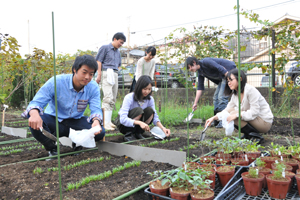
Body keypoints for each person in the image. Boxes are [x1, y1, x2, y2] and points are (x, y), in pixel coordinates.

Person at [21, 55, 105, 156]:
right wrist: (34, 113)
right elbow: (37, 102)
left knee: (100, 132)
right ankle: (53, 148)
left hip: (75, 122)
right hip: (54, 121)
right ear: (75, 69)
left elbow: (96, 108)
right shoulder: (57, 82)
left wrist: (96, 121)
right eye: (84, 72)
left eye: (91, 74)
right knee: (34, 119)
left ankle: (78, 142)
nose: (87, 77)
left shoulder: (93, 87)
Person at [205, 69, 273, 143]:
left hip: (263, 122)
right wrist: (214, 118)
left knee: (234, 115)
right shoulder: (236, 93)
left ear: (240, 79)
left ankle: (256, 136)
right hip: (254, 120)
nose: (229, 83)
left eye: (231, 80)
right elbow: (228, 109)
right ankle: (248, 135)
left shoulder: (250, 90)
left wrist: (237, 115)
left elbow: (254, 111)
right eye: (228, 81)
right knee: (231, 111)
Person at [185, 56, 236, 128]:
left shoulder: (206, 62)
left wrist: (230, 79)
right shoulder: (200, 72)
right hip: (222, 77)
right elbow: (200, 88)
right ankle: (216, 120)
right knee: (215, 98)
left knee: (222, 97)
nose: (190, 69)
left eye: (190, 67)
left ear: (194, 62)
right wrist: (195, 103)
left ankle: (224, 120)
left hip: (228, 71)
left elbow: (220, 68)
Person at [116, 75, 171, 141]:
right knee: (139, 111)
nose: (147, 92)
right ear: (139, 88)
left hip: (138, 124)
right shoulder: (129, 97)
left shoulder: (150, 99)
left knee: (150, 111)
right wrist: (139, 123)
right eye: (145, 89)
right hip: (123, 125)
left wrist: (163, 128)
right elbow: (122, 119)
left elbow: (155, 117)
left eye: (149, 89)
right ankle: (129, 134)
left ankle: (138, 132)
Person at [95, 32, 126, 130]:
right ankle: (104, 122)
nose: (121, 44)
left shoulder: (118, 52)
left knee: (113, 98)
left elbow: (119, 65)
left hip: (115, 74)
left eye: (122, 43)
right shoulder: (105, 48)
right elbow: (98, 61)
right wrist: (99, 74)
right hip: (106, 72)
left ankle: (108, 121)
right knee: (107, 97)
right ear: (115, 39)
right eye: (120, 42)